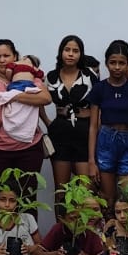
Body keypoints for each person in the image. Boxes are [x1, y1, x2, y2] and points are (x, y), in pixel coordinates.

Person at [0, 39, 51, 199]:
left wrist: (13, 95)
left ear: (15, 56)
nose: (2, 60)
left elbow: (45, 98)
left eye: (6, 55)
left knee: (27, 200)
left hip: (29, 150)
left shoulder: (30, 78)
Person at [87, 40, 128, 211]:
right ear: (106, 63)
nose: (117, 67)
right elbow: (93, 126)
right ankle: (109, 235)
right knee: (107, 197)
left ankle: (126, 235)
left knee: (127, 196)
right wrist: (92, 161)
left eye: (122, 63)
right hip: (106, 141)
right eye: (113, 62)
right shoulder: (99, 89)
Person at [46, 36, 96, 197]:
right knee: (61, 191)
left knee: (85, 192)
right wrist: (47, 121)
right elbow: (39, 98)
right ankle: (60, 224)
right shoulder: (51, 76)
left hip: (83, 132)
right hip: (60, 133)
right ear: (61, 52)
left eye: (75, 51)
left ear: (81, 54)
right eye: (67, 50)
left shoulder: (90, 76)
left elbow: (97, 108)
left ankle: (83, 223)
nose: (71, 54)